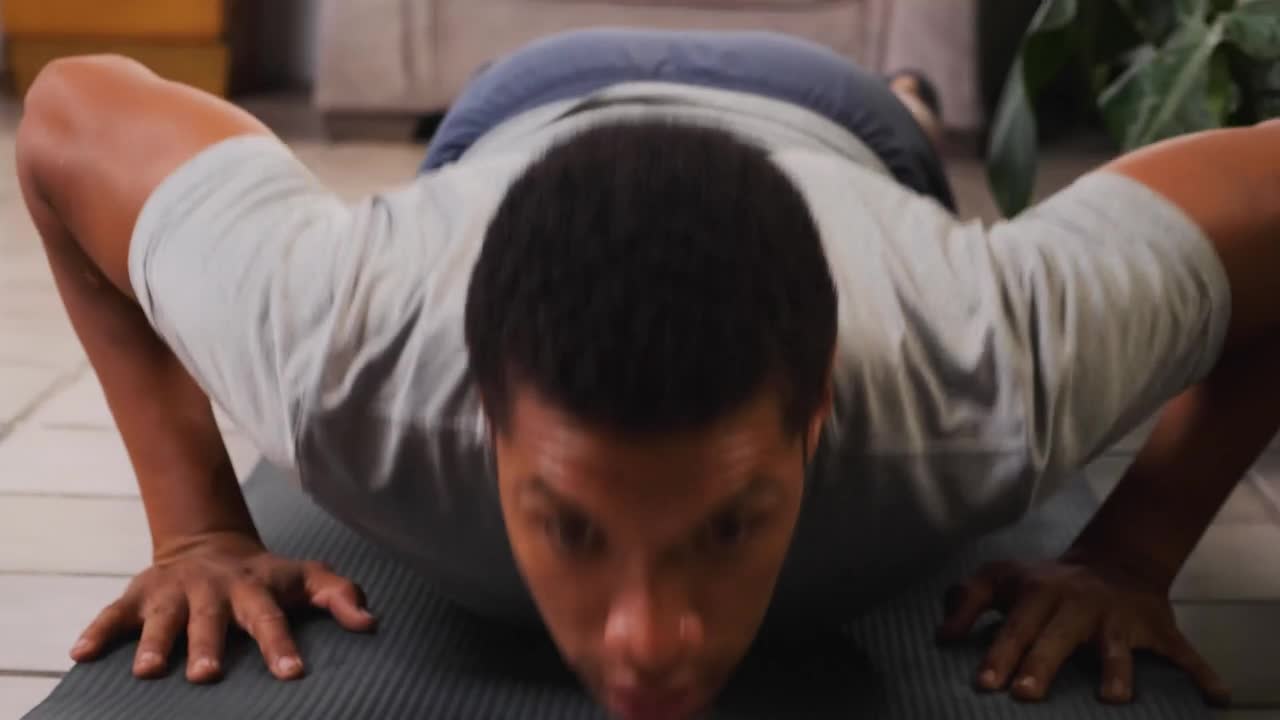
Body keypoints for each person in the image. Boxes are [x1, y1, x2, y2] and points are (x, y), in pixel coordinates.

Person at [14, 27, 1266, 720]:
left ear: (819, 412)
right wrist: (195, 532)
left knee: (895, 127)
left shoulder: (982, 366)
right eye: (569, 524)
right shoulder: (343, 359)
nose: (648, 642)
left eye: (727, 526)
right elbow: (72, 110)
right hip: (523, 108)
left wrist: (1128, 555)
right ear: (484, 421)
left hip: (842, 133)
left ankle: (903, 89)